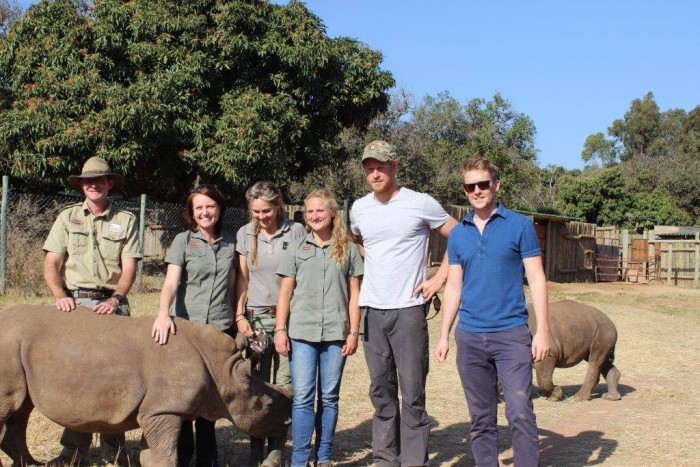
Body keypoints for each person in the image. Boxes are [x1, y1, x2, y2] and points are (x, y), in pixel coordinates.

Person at [434, 158, 551, 467]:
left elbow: (537, 279)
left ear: (496, 185)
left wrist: (543, 331)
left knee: (519, 410)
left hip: (511, 335)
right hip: (470, 337)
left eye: (483, 184)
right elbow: (454, 287)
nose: (477, 191)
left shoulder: (520, 225)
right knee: (481, 417)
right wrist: (444, 334)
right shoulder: (459, 233)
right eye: (470, 186)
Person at [349, 140, 458, 467]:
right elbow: (359, 241)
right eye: (369, 167)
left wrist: (440, 278)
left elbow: (461, 234)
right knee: (381, 393)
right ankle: (385, 460)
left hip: (409, 312)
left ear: (394, 166)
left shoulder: (420, 203)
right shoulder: (359, 208)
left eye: (381, 166)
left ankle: (414, 462)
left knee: (412, 394)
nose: (375, 172)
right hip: (372, 311)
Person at [42, 156, 142, 465]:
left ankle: (115, 450)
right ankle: (73, 450)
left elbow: (129, 268)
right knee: (78, 379)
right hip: (78, 304)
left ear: (110, 183)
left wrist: (115, 299)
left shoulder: (126, 220)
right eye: (87, 181)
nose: (93, 185)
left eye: (99, 179)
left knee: (116, 379)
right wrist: (60, 295)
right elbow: (51, 263)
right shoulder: (67, 218)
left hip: (112, 306)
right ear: (81, 185)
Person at [274, 188, 363, 467]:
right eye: (309, 211)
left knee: (329, 397)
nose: (314, 216)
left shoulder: (348, 249)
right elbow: (285, 294)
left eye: (320, 211)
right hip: (301, 334)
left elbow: (355, 296)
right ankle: (299, 459)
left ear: (333, 213)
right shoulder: (297, 248)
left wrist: (353, 333)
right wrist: (280, 330)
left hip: (336, 334)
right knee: (302, 398)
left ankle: (323, 456)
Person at [151, 183, 237, 466]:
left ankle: (208, 459)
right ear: (191, 212)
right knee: (185, 394)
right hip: (188, 331)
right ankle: (183, 455)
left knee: (211, 397)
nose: (204, 212)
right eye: (198, 207)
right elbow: (171, 282)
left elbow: (236, 287)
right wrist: (163, 314)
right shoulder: (183, 241)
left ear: (219, 209)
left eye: (210, 206)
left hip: (220, 331)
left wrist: (239, 318)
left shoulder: (230, 244)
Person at [235, 181, 306, 467]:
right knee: (257, 385)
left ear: (278, 205)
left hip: (289, 318)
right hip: (256, 319)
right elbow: (242, 278)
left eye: (266, 210)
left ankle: (276, 452)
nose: (261, 216)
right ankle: (256, 451)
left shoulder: (297, 231)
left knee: (286, 384)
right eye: (256, 211)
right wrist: (240, 315)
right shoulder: (244, 233)